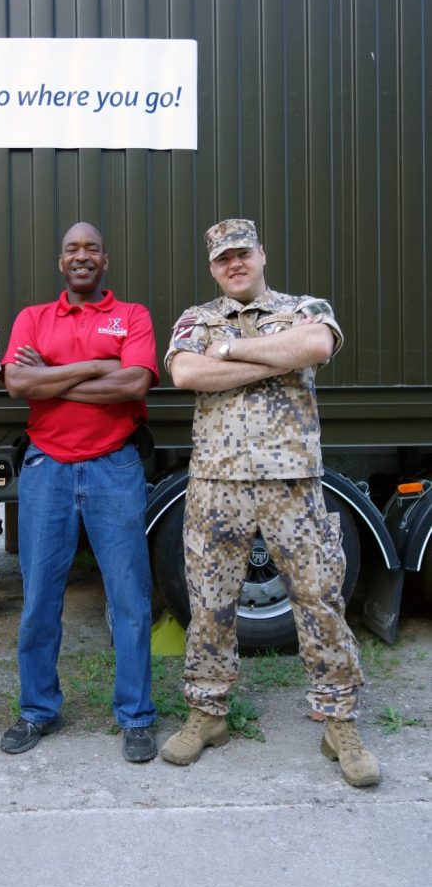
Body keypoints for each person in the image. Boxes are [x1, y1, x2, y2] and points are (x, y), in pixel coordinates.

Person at [160, 218, 380, 788]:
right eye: (222, 259)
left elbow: (315, 343)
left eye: (242, 254)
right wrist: (274, 358)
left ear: (262, 254)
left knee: (319, 598)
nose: (234, 264)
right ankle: (207, 714)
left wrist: (231, 350)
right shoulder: (195, 319)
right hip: (216, 483)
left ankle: (339, 723)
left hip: (293, 483)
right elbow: (186, 372)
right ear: (212, 267)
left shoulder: (304, 306)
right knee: (210, 604)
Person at [0, 221, 158, 762]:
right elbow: (20, 385)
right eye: (72, 249)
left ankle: (136, 716)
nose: (82, 256)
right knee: (40, 599)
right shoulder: (32, 318)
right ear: (60, 262)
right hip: (48, 469)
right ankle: (37, 709)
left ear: (104, 260)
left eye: (91, 248)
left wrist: (56, 375)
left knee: (129, 598)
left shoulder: (131, 316)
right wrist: (97, 366)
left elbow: (134, 383)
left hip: (115, 467)